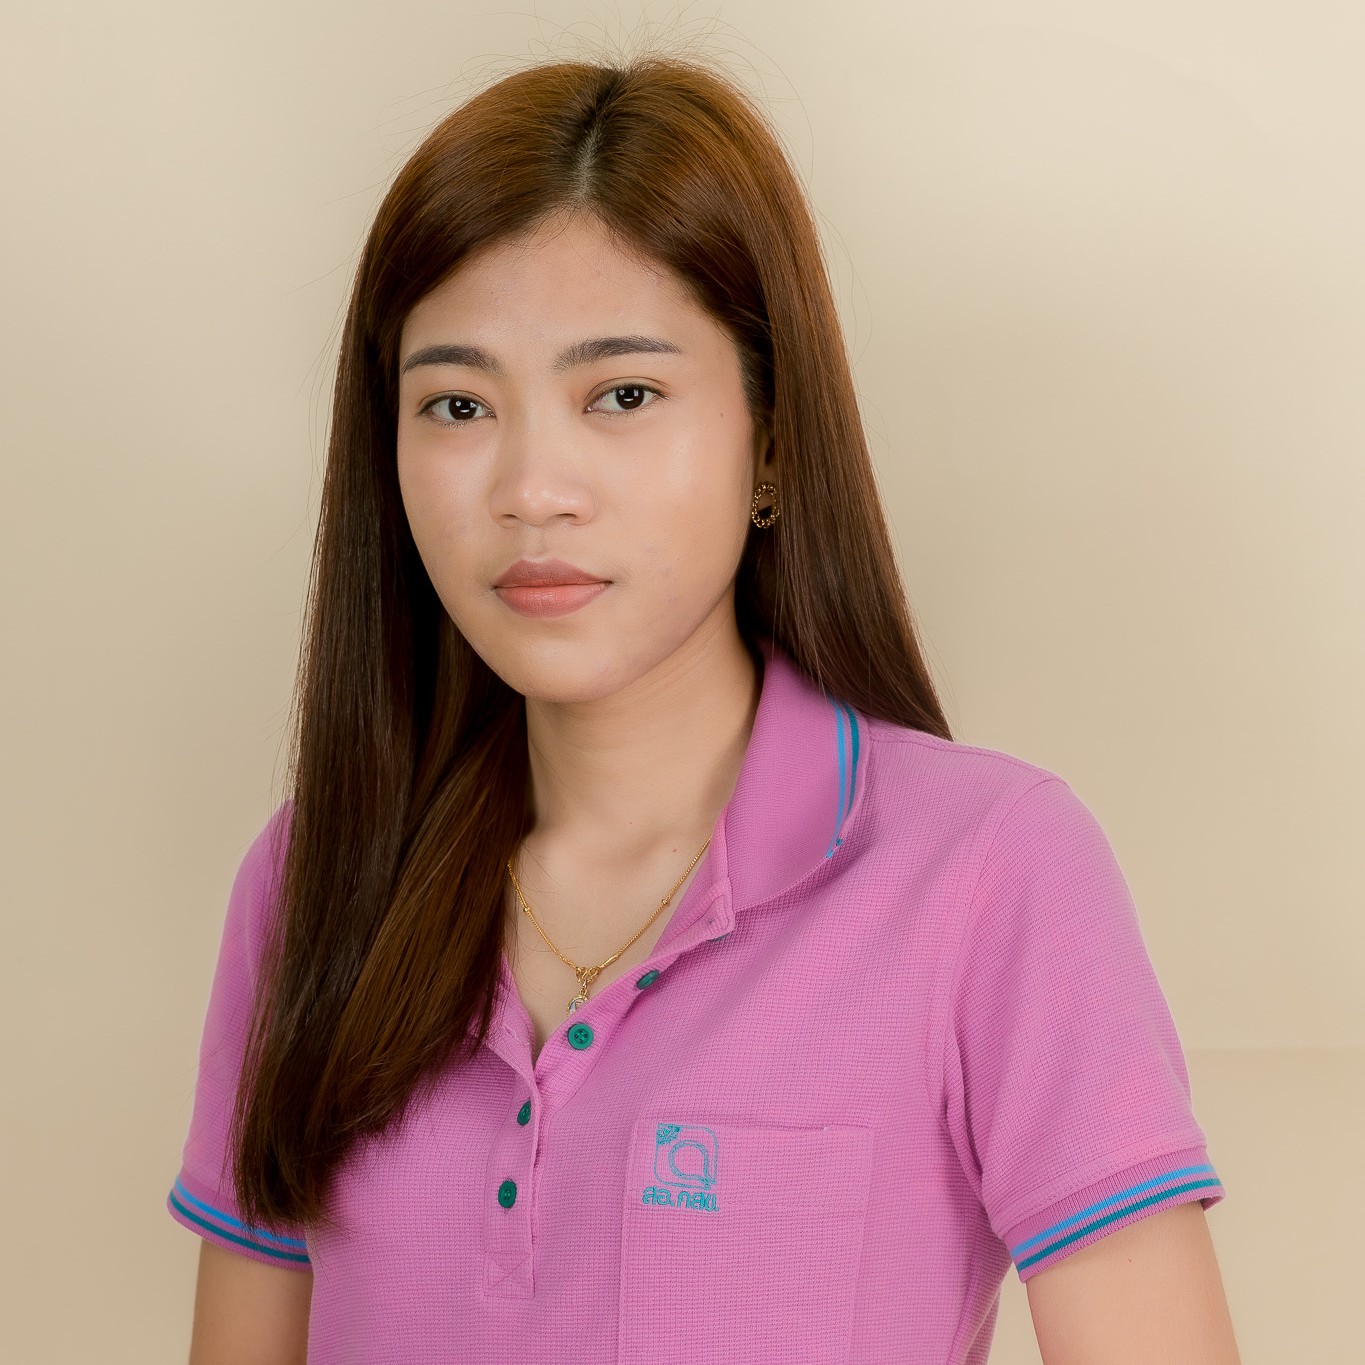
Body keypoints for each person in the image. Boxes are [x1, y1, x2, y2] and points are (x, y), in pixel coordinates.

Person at [166, 51, 1241, 1365]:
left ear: (771, 439)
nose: (531, 488)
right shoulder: (311, 874)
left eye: (622, 395)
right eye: (457, 403)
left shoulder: (989, 871)